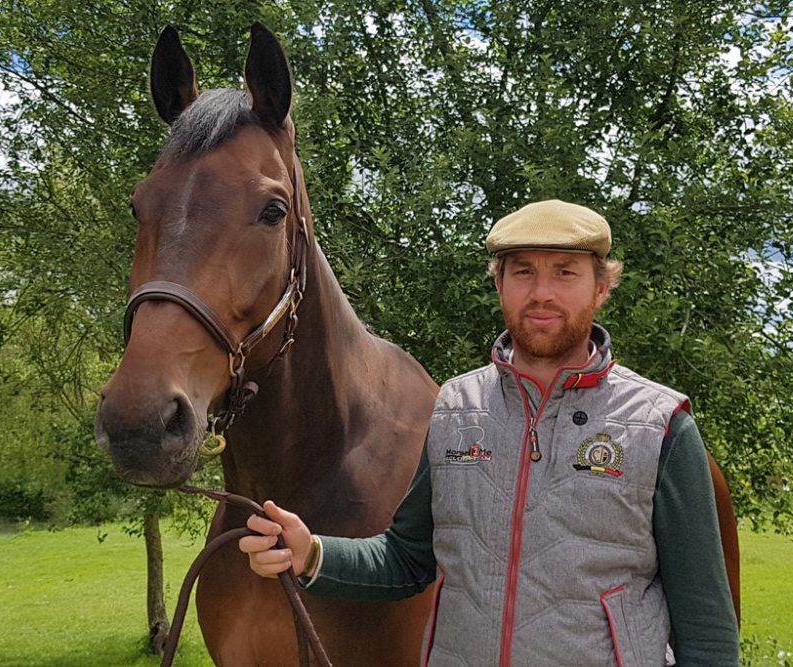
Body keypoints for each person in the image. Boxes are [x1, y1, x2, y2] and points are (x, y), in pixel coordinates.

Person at [239, 200, 740, 666]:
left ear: (601, 288)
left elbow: (708, 628)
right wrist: (311, 554)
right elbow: (407, 559)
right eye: (523, 272)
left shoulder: (660, 424)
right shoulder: (456, 409)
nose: (541, 292)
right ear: (499, 284)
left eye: (565, 273)